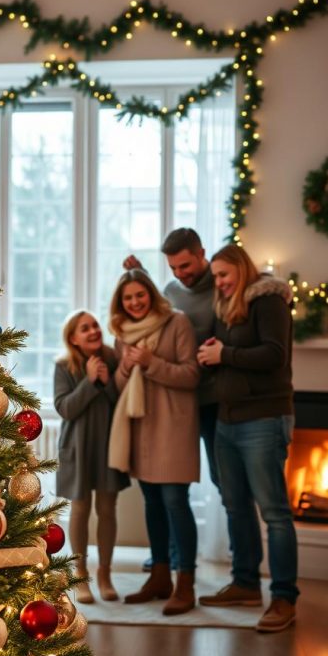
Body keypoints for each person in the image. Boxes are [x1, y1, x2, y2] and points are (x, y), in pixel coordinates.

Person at [196, 244, 299, 633]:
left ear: (242, 269)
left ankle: (285, 597)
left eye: (224, 275)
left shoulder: (268, 299)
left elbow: (274, 355)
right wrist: (212, 354)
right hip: (228, 419)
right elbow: (229, 352)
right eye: (216, 276)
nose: (218, 282)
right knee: (235, 505)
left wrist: (225, 355)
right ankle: (245, 583)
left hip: (264, 418)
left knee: (274, 512)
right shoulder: (228, 306)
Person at [124, 228, 218, 571]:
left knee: (214, 486)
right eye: (174, 268)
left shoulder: (218, 287)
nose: (180, 274)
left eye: (185, 265)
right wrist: (142, 276)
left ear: (202, 252)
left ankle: (233, 572)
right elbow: (154, 313)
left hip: (213, 398)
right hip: (173, 403)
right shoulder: (171, 292)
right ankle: (167, 557)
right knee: (159, 489)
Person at [108, 269, 200, 615]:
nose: (134, 303)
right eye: (128, 298)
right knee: (152, 502)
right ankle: (160, 577)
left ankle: (186, 584)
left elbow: (191, 375)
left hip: (174, 427)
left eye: (139, 295)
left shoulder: (177, 323)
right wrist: (126, 367)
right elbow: (120, 387)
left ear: (151, 295)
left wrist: (150, 362)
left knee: (175, 501)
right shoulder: (122, 335)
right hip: (142, 429)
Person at [54, 311, 129, 604]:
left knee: (108, 509)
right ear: (74, 338)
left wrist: (107, 380)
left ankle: (105, 574)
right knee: (80, 509)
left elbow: (120, 400)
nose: (93, 331)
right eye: (85, 328)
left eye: (95, 325)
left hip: (109, 445)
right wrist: (89, 380)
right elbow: (66, 408)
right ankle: (81, 575)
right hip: (78, 448)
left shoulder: (113, 359)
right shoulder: (64, 367)